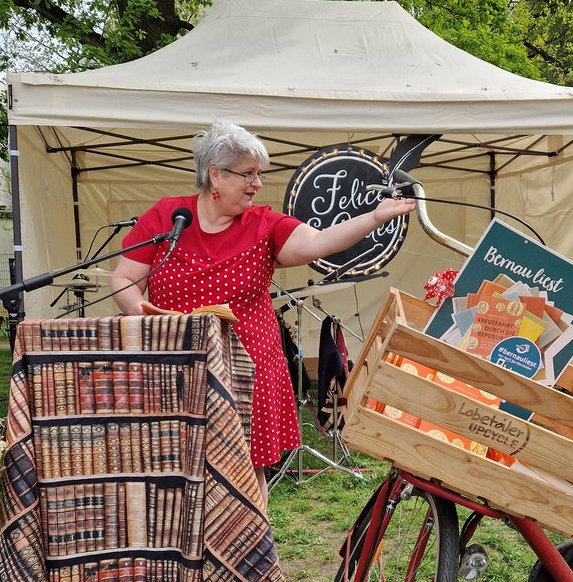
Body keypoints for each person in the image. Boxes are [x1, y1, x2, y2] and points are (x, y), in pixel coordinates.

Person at [112, 120, 414, 504]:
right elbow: (124, 277)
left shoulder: (264, 224)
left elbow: (319, 242)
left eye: (260, 174)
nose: (257, 184)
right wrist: (137, 308)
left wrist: (374, 217)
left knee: (246, 466)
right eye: (249, 174)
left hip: (248, 367)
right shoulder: (169, 217)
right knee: (177, 466)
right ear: (215, 175)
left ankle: (250, 551)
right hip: (177, 363)